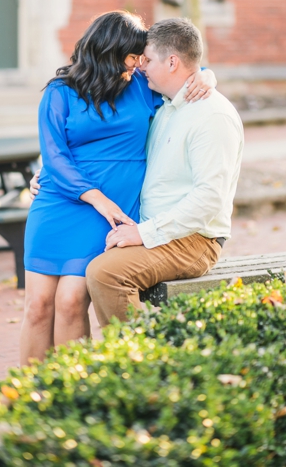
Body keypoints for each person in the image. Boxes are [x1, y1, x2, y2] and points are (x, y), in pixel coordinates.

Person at [20, 11, 215, 364]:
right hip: (63, 201)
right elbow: (55, 156)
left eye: (142, 57)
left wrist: (207, 76)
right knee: (37, 307)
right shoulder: (58, 93)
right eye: (132, 55)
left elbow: (182, 77)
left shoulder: (142, 87)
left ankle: (72, 398)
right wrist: (97, 199)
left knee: (69, 302)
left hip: (114, 211)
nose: (138, 63)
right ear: (108, 50)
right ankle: (30, 400)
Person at [85, 18, 243, 327]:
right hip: (159, 229)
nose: (141, 67)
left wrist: (143, 233)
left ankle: (141, 365)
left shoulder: (212, 116)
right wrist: (47, 173)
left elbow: (209, 198)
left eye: (147, 59)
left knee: (105, 274)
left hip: (196, 239)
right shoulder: (165, 105)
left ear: (172, 62)